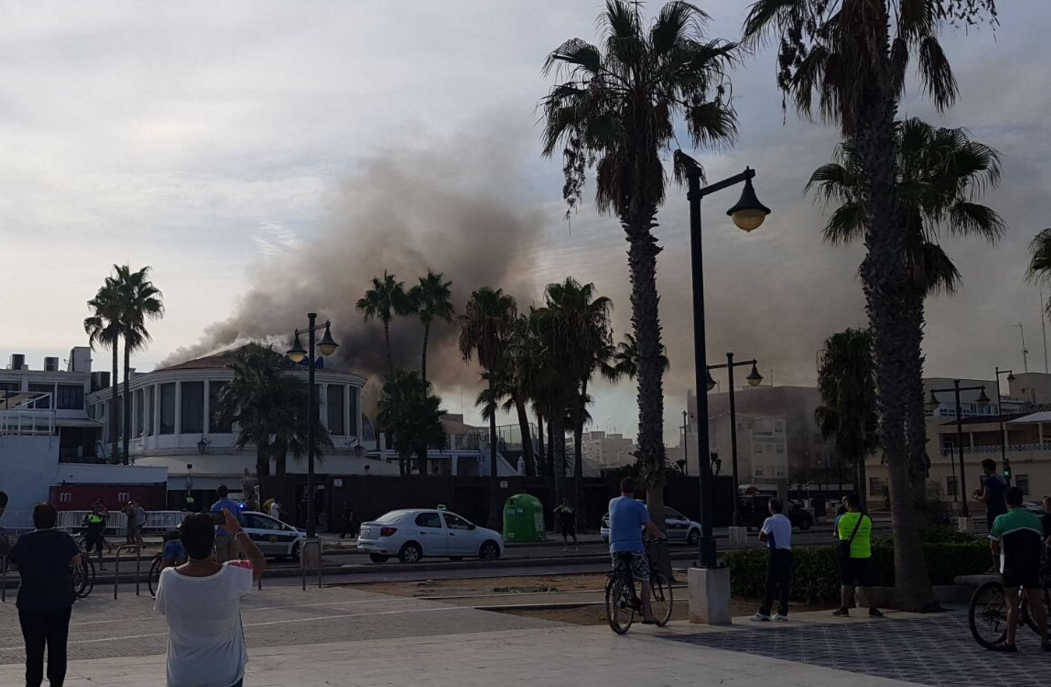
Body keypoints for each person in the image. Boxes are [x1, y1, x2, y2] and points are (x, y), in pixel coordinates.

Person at [154, 509, 266, 687]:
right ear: (212, 542)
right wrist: (237, 531)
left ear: (184, 543)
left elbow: (162, 608)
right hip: (225, 674)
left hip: (183, 675)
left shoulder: (168, 578)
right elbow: (258, 563)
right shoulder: (231, 574)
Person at [10, 503, 81, 687]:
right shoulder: (64, 539)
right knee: (58, 647)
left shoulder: (25, 540)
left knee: (33, 649)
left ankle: (32, 683)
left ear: (34, 519)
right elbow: (76, 561)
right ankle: (56, 682)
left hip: (30, 602)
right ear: (54, 519)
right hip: (60, 601)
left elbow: (14, 563)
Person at [988, 486, 1049, 652]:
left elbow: (993, 544)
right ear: (1021, 500)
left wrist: (995, 559)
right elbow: (1041, 541)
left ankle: (1010, 642)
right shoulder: (1035, 520)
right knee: (1037, 605)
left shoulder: (1001, 520)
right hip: (1032, 566)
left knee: (1012, 605)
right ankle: (1045, 640)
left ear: (1006, 501)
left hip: (1011, 567)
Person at [607, 477, 664, 623]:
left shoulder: (612, 503)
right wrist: (660, 535)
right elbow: (649, 525)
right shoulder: (638, 506)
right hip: (634, 548)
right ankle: (647, 615)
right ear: (634, 490)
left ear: (621, 489)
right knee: (645, 578)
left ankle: (615, 616)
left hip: (615, 547)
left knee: (619, 578)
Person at [833, 493, 883, 618]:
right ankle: (873, 608)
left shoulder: (841, 519)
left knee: (846, 582)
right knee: (867, 583)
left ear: (847, 504)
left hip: (848, 556)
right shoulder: (866, 519)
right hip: (865, 554)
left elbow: (836, 535)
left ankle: (844, 608)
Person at [752, 498, 793, 622]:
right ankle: (782, 612)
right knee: (784, 584)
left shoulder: (770, 520)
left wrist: (768, 538)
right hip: (787, 553)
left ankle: (764, 611)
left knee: (770, 583)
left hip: (775, 553)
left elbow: (761, 537)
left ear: (771, 508)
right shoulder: (787, 520)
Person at [974, 458, 1008, 531]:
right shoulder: (1001, 478)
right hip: (1003, 510)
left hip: (993, 511)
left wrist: (976, 497)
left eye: (983, 468)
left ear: (986, 468)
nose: (983, 470)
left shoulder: (988, 481)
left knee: (994, 533)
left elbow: (984, 498)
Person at [210, 485, 241, 563]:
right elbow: (241, 519)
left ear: (218, 494)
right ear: (227, 493)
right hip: (234, 535)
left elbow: (212, 523)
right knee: (234, 560)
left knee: (222, 561)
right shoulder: (235, 505)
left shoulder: (215, 507)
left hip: (221, 536)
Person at [82, 501, 108, 570]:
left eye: (97, 508)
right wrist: (88, 521)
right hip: (90, 534)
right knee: (87, 550)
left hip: (98, 535)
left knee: (100, 551)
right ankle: (85, 565)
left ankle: (101, 566)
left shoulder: (101, 516)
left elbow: (104, 525)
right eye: (95, 508)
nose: (96, 509)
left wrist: (102, 533)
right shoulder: (89, 515)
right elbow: (83, 523)